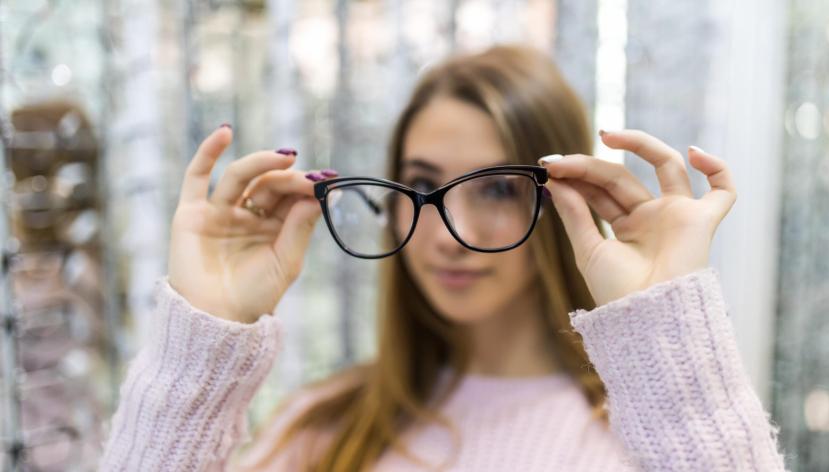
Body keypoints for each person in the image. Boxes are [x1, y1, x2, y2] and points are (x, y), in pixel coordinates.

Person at [99, 46, 785, 471]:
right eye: (423, 185)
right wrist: (201, 338)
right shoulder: (327, 424)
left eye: (493, 188)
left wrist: (665, 331)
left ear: (564, 198)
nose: (448, 232)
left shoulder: (651, 437)